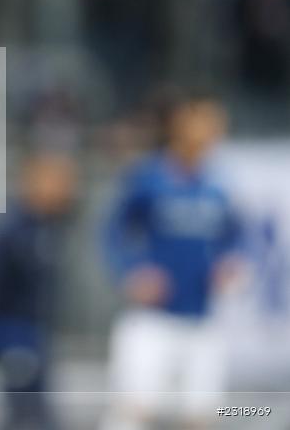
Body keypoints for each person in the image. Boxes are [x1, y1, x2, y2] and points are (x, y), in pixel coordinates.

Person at [100, 93, 244, 430]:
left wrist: (230, 265)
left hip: (201, 318)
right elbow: (113, 231)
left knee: (200, 416)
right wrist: (131, 271)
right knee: (132, 411)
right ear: (179, 125)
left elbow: (237, 236)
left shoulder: (218, 184)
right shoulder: (149, 176)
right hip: (153, 318)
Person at [0, 153, 76, 430]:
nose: (61, 189)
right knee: (23, 413)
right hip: (10, 334)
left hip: (36, 334)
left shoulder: (52, 226)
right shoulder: (11, 228)